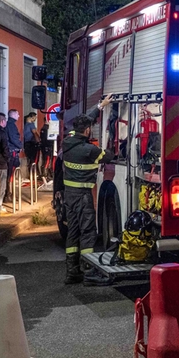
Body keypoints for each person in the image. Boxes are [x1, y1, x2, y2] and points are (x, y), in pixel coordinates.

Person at [55, 102, 111, 285]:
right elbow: (108, 155)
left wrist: (100, 107)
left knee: (73, 231)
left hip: (69, 195)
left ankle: (72, 272)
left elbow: (84, 123)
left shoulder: (67, 143)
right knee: (88, 232)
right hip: (83, 196)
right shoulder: (89, 150)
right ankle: (89, 273)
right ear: (87, 131)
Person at [5, 108, 23, 207]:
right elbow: (13, 138)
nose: (19, 116)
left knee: (10, 174)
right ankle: (8, 194)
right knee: (11, 174)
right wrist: (20, 146)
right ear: (13, 115)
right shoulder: (11, 125)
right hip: (12, 152)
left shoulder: (9, 125)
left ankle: (8, 193)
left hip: (10, 151)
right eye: (17, 114)